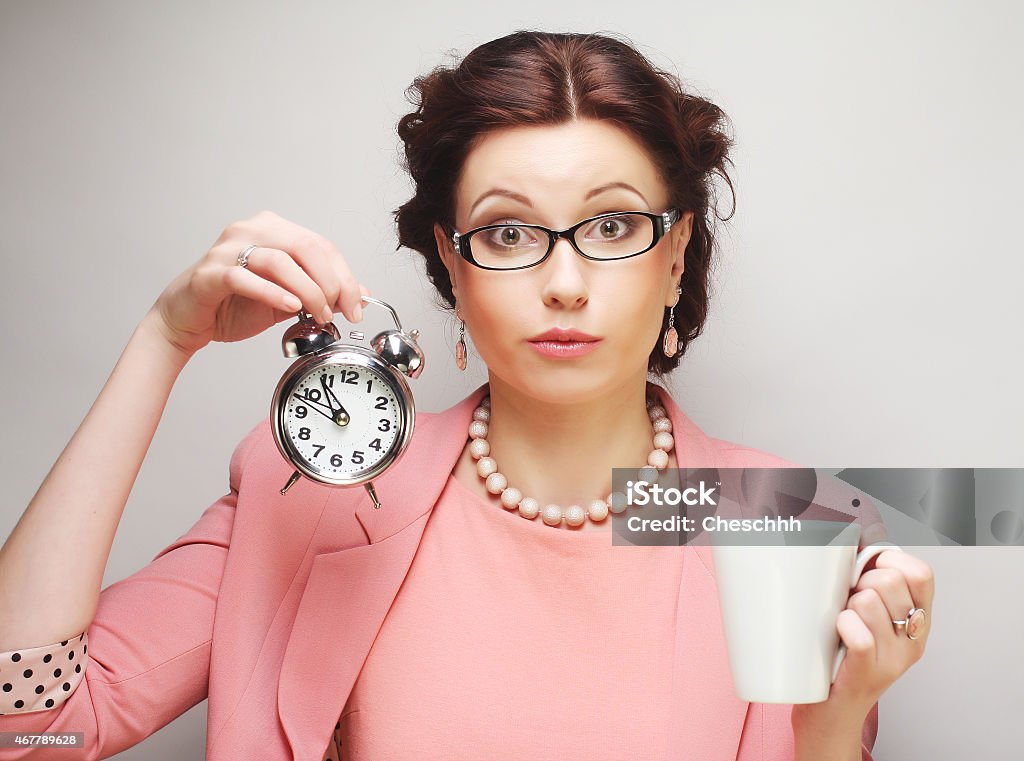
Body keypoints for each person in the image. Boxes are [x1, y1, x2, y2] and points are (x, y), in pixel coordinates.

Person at [0, 30, 934, 761]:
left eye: (612, 224)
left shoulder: (783, 517)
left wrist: (832, 721)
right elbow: (26, 721)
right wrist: (166, 339)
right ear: (453, 260)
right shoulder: (309, 497)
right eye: (508, 232)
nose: (564, 281)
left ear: (677, 252)